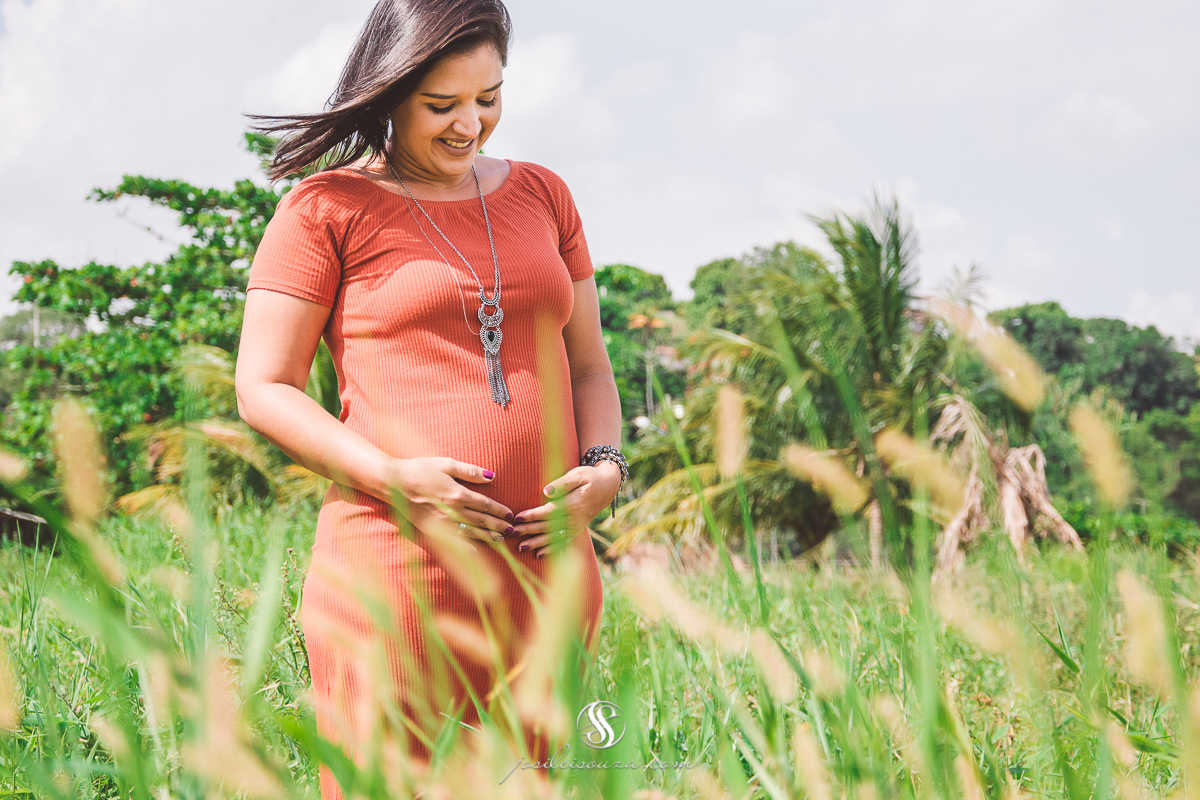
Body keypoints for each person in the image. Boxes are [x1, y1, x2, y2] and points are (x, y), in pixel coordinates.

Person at [235, 0, 623, 794]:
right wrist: (397, 480)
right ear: (388, 92)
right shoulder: (325, 209)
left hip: (546, 566)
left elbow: (589, 367)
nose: (469, 125)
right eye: (441, 105)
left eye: (489, 97)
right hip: (398, 565)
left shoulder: (545, 196)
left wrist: (606, 467)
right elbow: (264, 387)